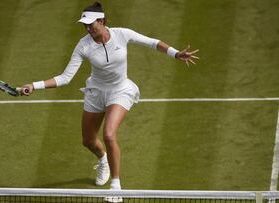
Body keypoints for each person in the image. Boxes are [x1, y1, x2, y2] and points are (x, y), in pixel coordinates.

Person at [20, 1, 199, 192]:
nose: (88, 28)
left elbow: (152, 42)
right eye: (85, 25)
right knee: (88, 141)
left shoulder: (122, 34)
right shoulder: (83, 46)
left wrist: (176, 54)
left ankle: (115, 187)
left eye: (91, 24)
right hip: (96, 93)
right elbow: (65, 78)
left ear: (102, 20)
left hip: (120, 91)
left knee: (109, 134)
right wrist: (34, 85)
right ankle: (103, 159)